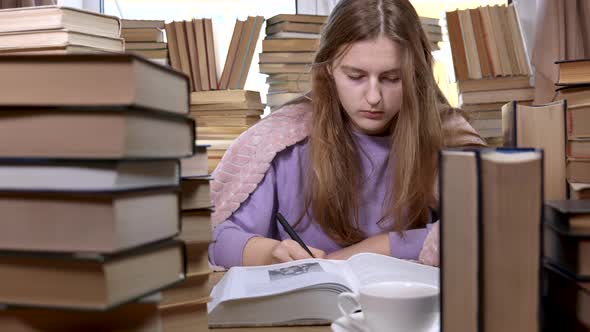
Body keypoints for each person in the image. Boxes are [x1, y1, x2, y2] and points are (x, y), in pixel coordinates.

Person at [209, 0, 485, 268]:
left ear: (415, 74)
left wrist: (367, 250)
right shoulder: (281, 142)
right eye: (356, 76)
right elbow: (214, 237)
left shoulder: (447, 134)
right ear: (328, 69)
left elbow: (490, 224)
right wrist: (269, 253)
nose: (374, 97)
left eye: (392, 78)